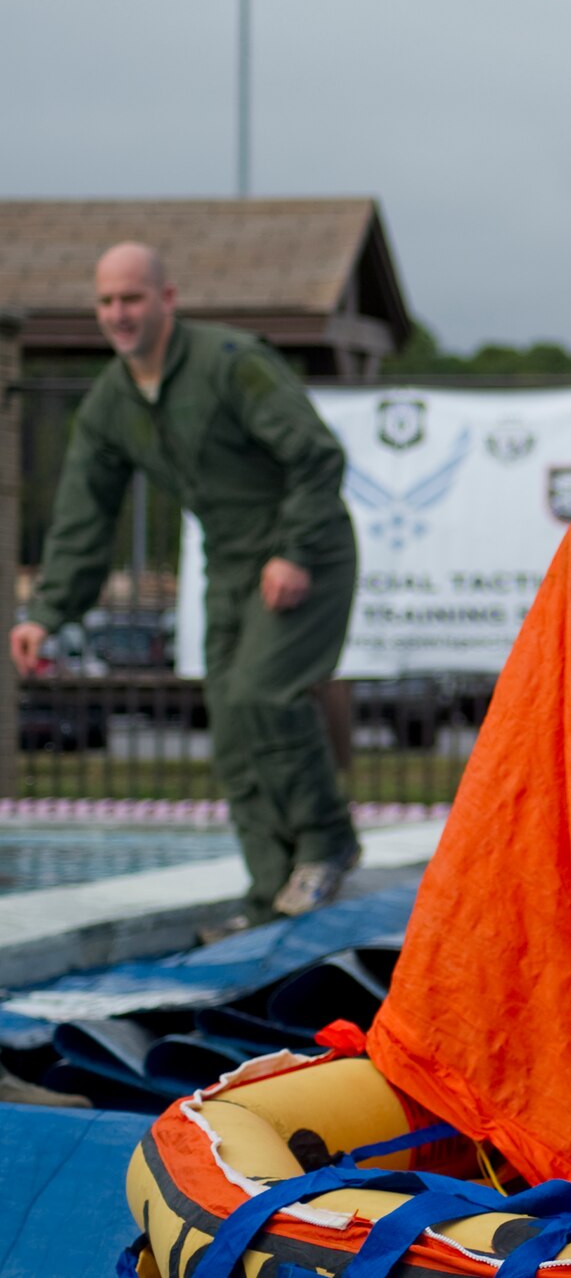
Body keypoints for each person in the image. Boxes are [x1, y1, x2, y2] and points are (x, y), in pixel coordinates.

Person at [10, 244, 361, 935]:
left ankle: (326, 844)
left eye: (132, 298)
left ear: (166, 300)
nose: (119, 314)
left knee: (266, 694)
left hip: (307, 551)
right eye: (107, 301)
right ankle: (270, 898)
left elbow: (317, 456)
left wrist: (293, 551)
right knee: (229, 728)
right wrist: (46, 615)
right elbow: (85, 516)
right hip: (231, 566)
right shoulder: (111, 404)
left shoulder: (232, 364)